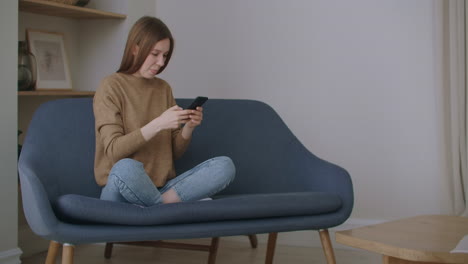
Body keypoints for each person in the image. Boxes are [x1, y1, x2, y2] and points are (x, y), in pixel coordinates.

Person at [93, 16, 235, 206]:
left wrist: (188, 128)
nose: (161, 62)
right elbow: (113, 151)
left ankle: (157, 205)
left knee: (224, 166)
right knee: (125, 168)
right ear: (135, 48)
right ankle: (167, 206)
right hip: (122, 189)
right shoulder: (110, 86)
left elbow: (172, 154)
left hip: (162, 188)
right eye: (155, 53)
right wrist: (158, 123)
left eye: (165, 55)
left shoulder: (163, 88)